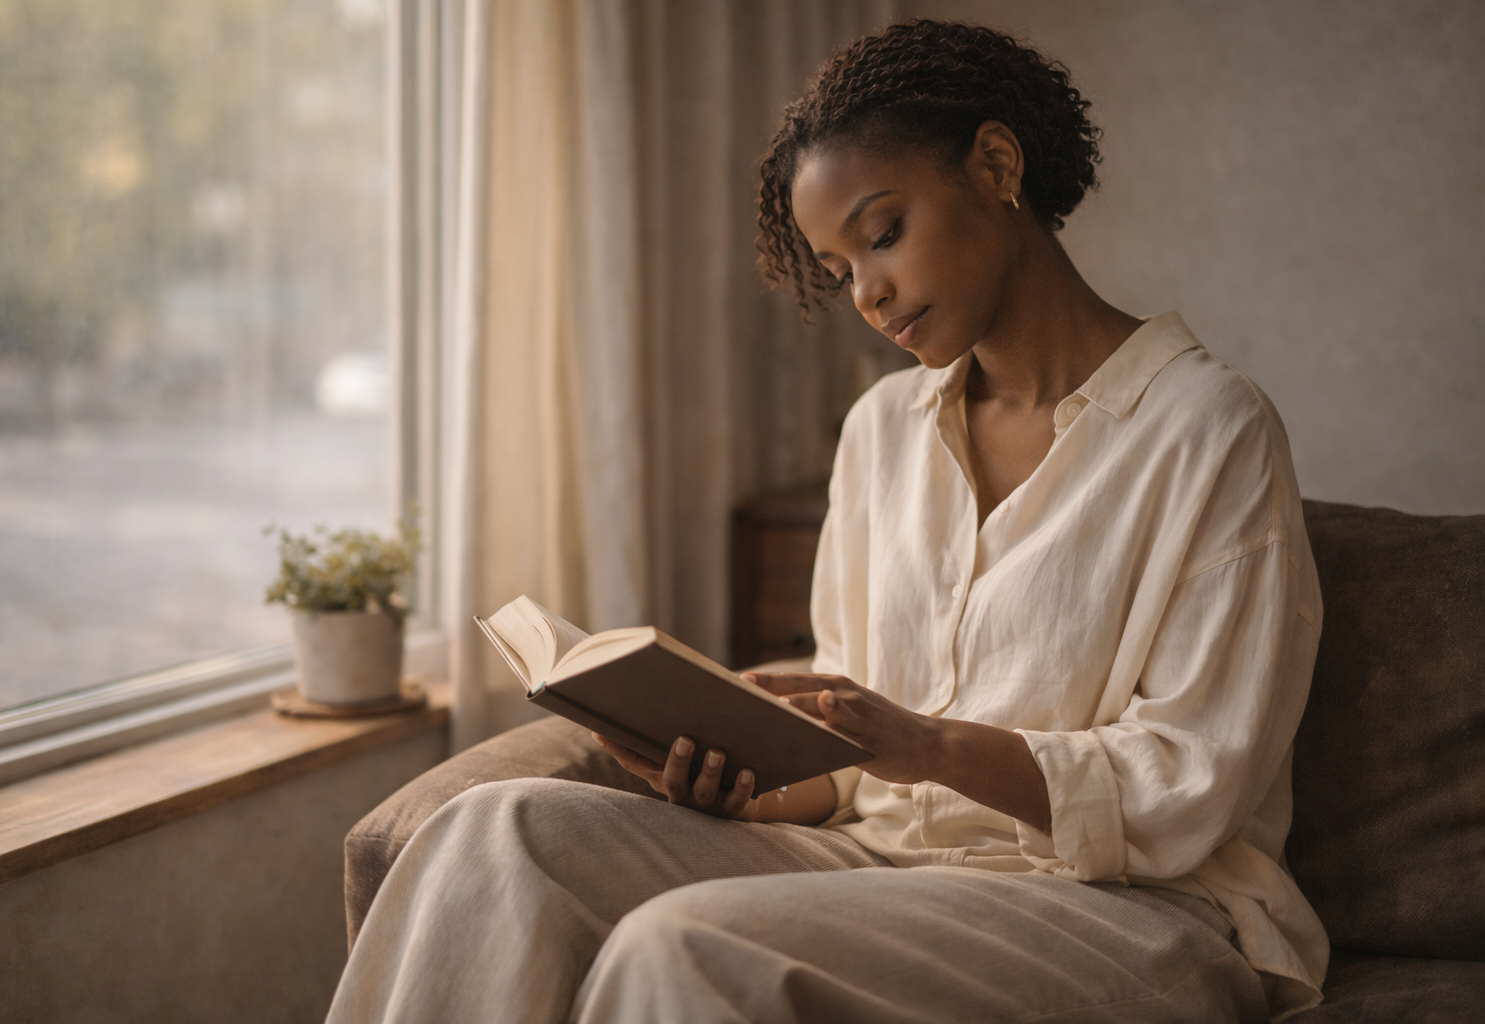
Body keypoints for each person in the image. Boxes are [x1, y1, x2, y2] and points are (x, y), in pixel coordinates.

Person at [326, 20, 1327, 1024]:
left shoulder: (1210, 428)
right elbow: (851, 778)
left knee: (682, 947)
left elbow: (1191, 781)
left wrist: (929, 746)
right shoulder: (881, 431)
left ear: (996, 163)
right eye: (841, 266)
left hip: (1120, 908)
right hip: (873, 863)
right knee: (490, 832)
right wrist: (750, 771)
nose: (869, 293)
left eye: (882, 233)